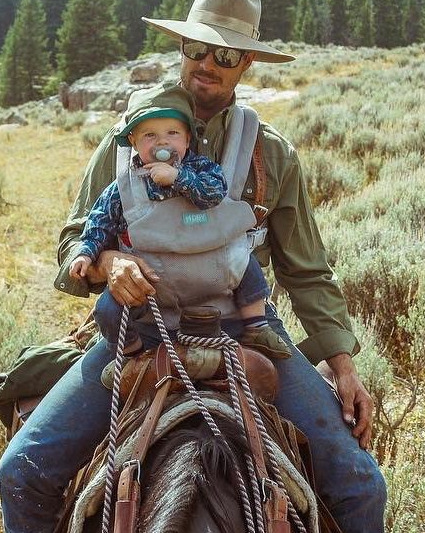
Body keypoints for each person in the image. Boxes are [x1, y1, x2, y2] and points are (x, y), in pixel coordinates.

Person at [0, 0, 386, 533]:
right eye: (196, 48)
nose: (207, 64)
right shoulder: (128, 138)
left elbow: (305, 269)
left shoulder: (271, 156)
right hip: (138, 330)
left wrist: (341, 363)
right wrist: (108, 266)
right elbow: (73, 240)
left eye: (225, 54)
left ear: (249, 64)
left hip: (246, 328)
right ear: (182, 47)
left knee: (359, 484)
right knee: (22, 471)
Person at [69, 83, 286, 356]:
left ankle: (257, 326)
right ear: (133, 142)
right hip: (154, 292)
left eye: (172, 133)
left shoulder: (202, 168)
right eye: (149, 135)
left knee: (245, 264)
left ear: (186, 140)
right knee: (107, 310)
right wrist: (88, 253)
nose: (162, 142)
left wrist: (179, 178)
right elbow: (99, 221)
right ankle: (131, 354)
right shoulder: (124, 186)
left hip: (217, 271)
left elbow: (214, 193)